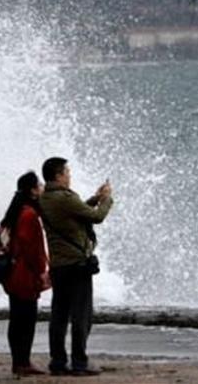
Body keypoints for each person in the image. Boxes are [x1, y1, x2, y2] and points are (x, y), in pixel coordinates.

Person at [39, 157, 112, 376]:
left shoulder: (45, 198)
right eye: (67, 172)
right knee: (81, 315)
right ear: (58, 175)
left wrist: (95, 197)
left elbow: (75, 212)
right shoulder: (65, 197)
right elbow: (96, 217)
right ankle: (80, 362)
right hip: (77, 265)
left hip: (59, 265)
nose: (69, 176)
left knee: (59, 315)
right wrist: (106, 199)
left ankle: (58, 362)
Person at [0, 171, 50, 377]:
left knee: (16, 318)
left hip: (11, 273)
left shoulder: (15, 211)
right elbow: (33, 250)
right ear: (32, 190)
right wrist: (41, 271)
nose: (42, 188)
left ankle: (17, 362)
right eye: (39, 185)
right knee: (27, 319)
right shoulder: (29, 215)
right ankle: (23, 362)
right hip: (24, 275)